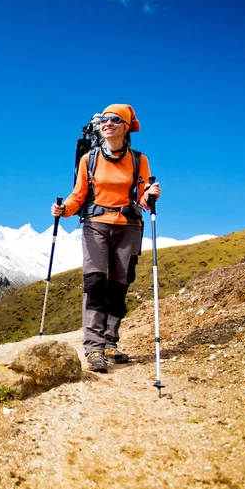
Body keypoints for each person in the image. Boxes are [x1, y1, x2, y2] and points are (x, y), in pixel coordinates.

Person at [51, 104, 161, 372]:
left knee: (119, 285)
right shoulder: (89, 159)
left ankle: (110, 342)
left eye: (114, 119)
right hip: (96, 225)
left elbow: (143, 198)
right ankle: (94, 347)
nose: (107, 123)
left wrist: (151, 194)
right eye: (103, 119)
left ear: (126, 126)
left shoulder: (139, 160)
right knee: (95, 282)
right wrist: (64, 210)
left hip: (129, 226)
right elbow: (78, 195)